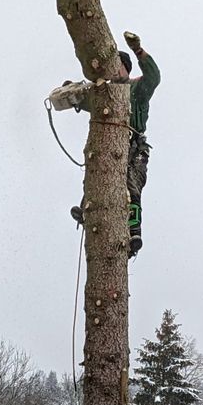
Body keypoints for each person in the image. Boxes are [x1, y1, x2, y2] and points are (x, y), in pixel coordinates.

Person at [70, 30, 161, 257]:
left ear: (125, 68)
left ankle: (133, 229)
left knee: (131, 185)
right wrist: (71, 93)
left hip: (134, 147)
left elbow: (154, 77)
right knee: (96, 174)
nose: (112, 71)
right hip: (107, 148)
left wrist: (138, 50)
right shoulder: (105, 94)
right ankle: (88, 210)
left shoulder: (137, 89)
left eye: (116, 66)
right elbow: (84, 98)